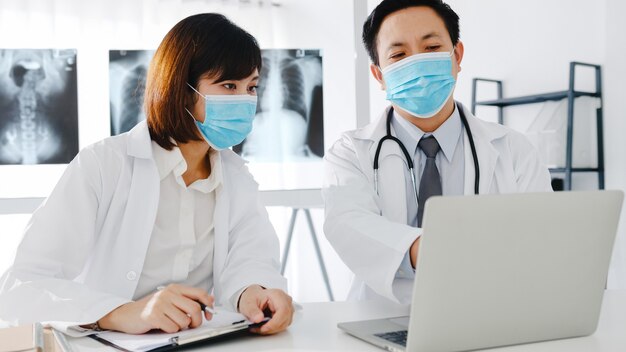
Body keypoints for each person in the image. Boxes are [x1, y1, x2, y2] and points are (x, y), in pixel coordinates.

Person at [0, 13, 293, 335]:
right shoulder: (103, 165)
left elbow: (251, 258)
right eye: (228, 85)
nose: (245, 100)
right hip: (108, 342)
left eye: (251, 87)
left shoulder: (237, 177)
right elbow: (22, 286)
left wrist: (253, 292)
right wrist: (121, 313)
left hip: (202, 339)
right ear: (181, 90)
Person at [322, 0, 552, 304]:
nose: (417, 63)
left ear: (456, 56)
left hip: (489, 313)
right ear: (379, 75)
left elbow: (542, 240)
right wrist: (433, 248)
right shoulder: (350, 153)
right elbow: (349, 225)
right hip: (380, 318)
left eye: (431, 48)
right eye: (399, 55)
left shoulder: (514, 150)